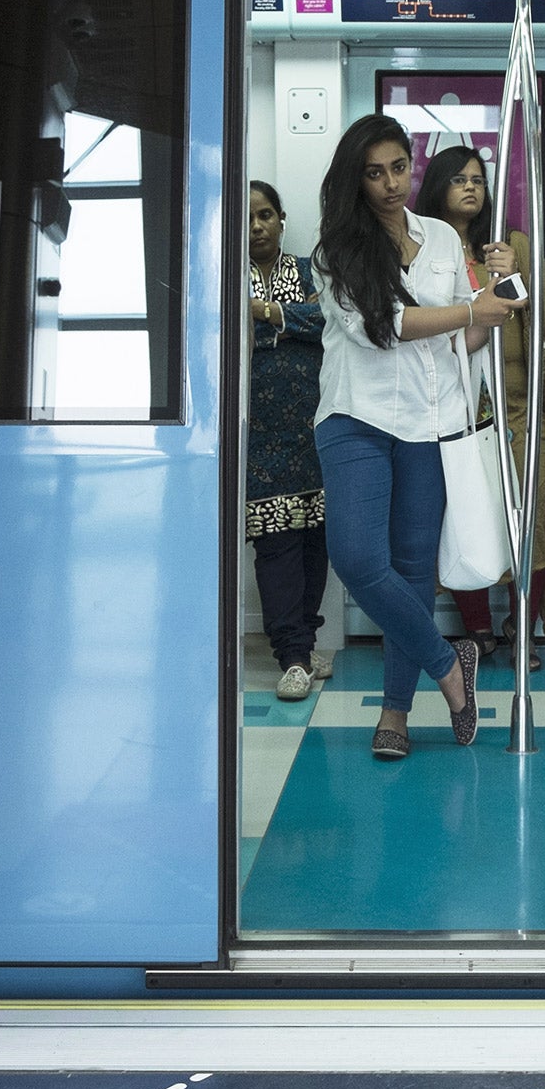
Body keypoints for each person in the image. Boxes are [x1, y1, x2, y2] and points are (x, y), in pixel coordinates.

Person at [312, 114, 526, 761]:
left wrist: (498, 291)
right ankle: (446, 664)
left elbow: (468, 340)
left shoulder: (438, 238)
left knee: (411, 573)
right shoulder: (335, 253)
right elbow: (385, 326)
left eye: (398, 167)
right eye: (374, 173)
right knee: (356, 559)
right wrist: (470, 308)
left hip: (431, 423)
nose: (389, 184)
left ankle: (395, 716)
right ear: (355, 180)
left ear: (412, 165)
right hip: (357, 415)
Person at [416, 145, 545, 672]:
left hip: (518, 407)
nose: (471, 188)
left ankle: (523, 629)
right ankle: (477, 628)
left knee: (528, 517)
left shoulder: (511, 247)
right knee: (465, 512)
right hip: (451, 405)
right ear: (437, 186)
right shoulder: (424, 248)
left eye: (479, 180)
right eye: (458, 179)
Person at [246, 181, 330, 702]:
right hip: (256, 434)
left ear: (281, 218)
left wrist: (268, 314)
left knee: (314, 541)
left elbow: (331, 320)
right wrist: (292, 323)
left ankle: (306, 641)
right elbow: (220, 332)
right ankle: (292, 657)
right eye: (246, 218)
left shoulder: (307, 271)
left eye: (264, 215)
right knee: (276, 544)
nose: (255, 226)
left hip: (316, 424)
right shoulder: (220, 275)